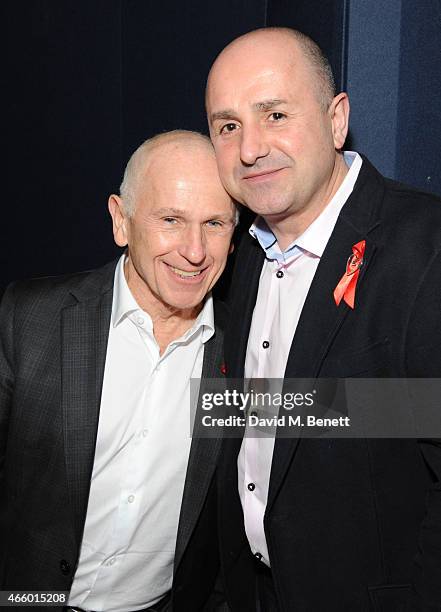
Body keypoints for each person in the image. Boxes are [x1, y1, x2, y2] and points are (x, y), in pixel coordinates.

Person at [206, 27, 441, 611]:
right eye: (228, 126)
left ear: (337, 121)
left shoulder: (426, 248)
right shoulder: (233, 257)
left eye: (276, 114)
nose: (250, 148)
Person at [0, 130, 237, 611]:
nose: (195, 251)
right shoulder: (32, 319)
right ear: (121, 221)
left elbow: (344, 417)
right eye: (171, 219)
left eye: (215, 223)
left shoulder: (246, 351)